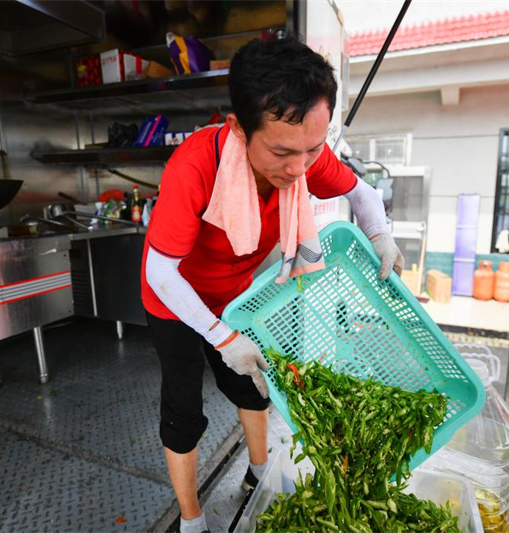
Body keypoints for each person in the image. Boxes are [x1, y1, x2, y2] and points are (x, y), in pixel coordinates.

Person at [141, 37, 404, 533]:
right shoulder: (196, 166)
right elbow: (161, 271)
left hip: (237, 297)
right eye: (282, 152)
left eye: (311, 149)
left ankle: (260, 474)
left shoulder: (302, 153)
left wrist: (381, 236)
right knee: (183, 411)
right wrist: (219, 337)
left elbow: (362, 193)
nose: (299, 169)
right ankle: (192, 520)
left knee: (254, 387)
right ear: (238, 128)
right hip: (174, 299)